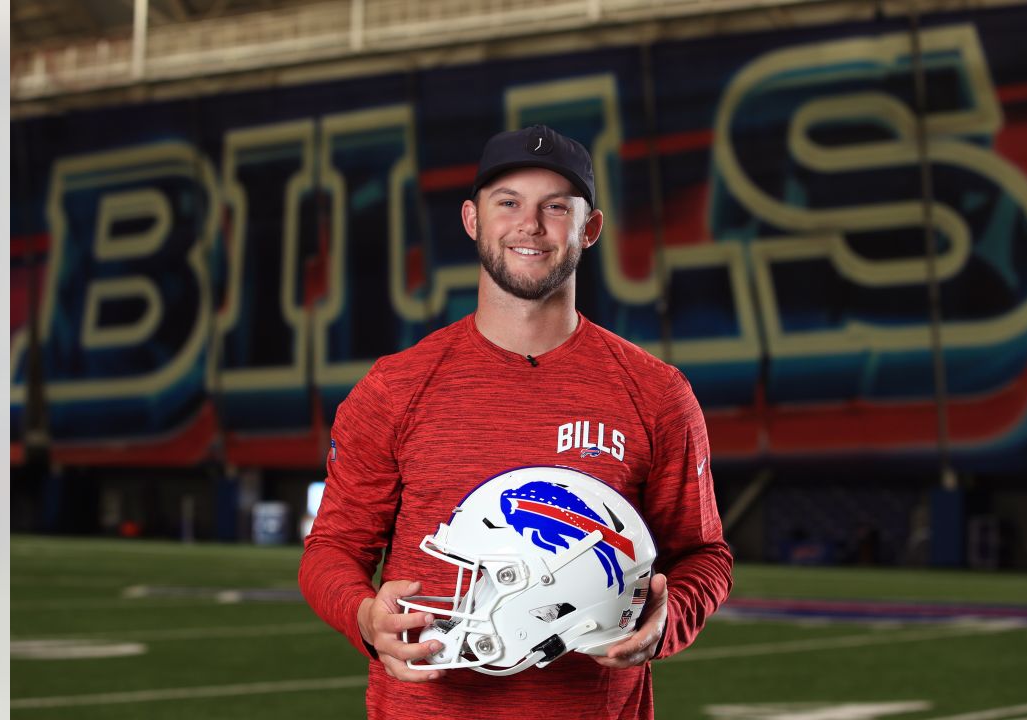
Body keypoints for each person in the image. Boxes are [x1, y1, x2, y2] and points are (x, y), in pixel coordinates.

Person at [300, 124, 732, 719]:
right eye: (508, 203)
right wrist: (363, 616)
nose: (529, 225)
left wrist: (668, 619)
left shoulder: (656, 393)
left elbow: (704, 555)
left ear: (590, 228)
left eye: (556, 208)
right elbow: (331, 550)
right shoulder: (396, 387)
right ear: (473, 220)